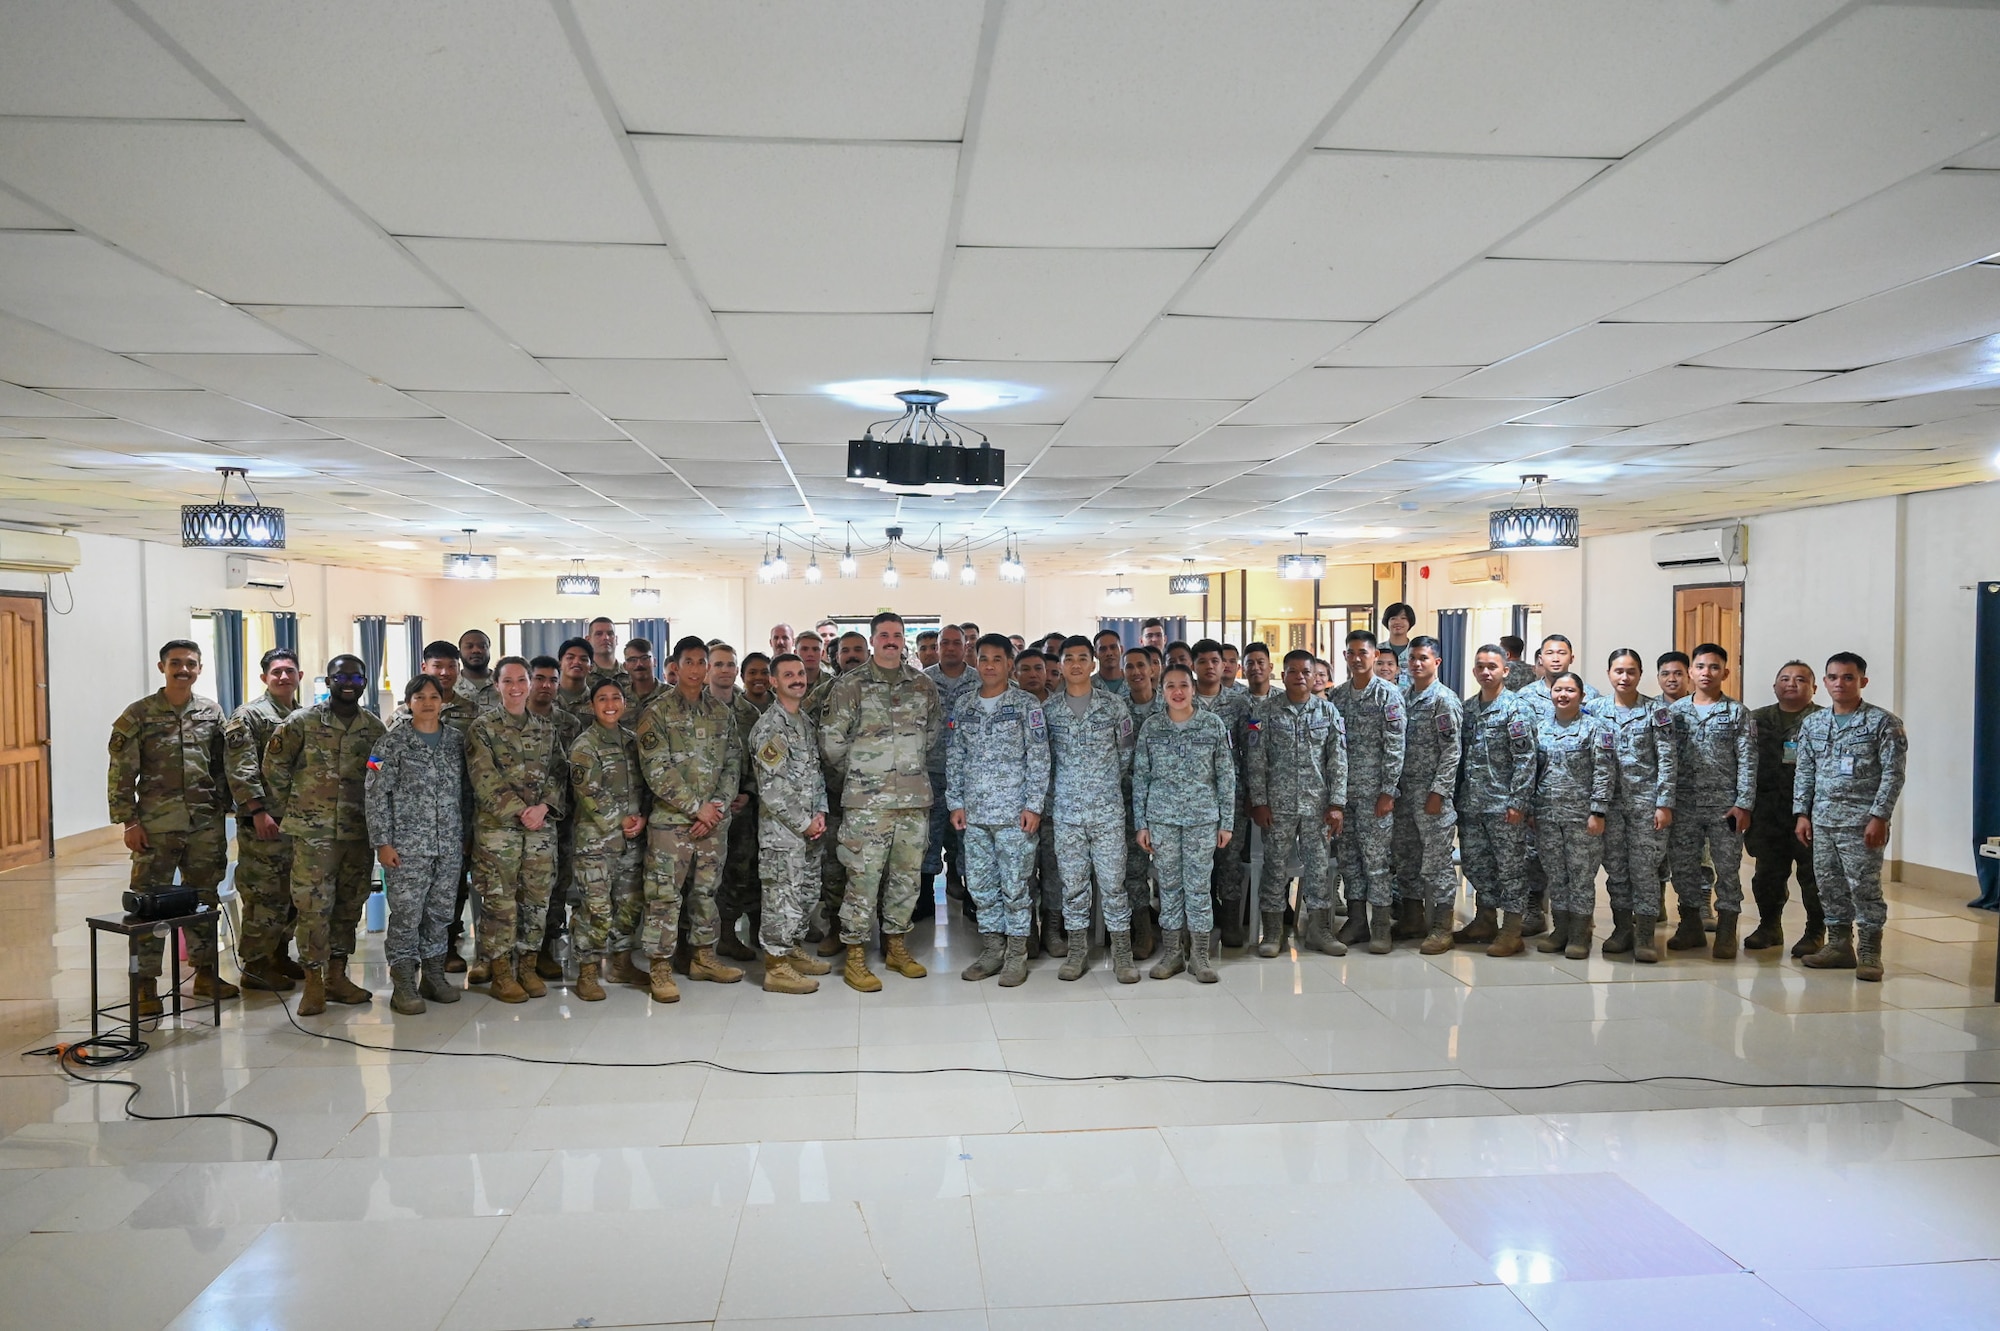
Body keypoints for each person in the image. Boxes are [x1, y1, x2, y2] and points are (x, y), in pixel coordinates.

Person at [108, 639, 234, 1015]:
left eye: (191, 664)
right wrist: (129, 820)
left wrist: (224, 808)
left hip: (203, 825)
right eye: (176, 663)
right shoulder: (139, 714)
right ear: (162, 667)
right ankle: (145, 985)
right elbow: (121, 772)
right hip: (156, 825)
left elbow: (221, 766)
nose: (184, 669)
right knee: (149, 906)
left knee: (203, 898)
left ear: (199, 669)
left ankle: (206, 973)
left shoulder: (211, 712)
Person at [820, 612, 941, 991]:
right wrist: (863, 776)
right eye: (884, 635)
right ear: (873, 640)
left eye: (897, 635)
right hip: (866, 804)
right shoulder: (849, 686)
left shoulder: (923, 686)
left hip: (912, 800)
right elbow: (831, 743)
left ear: (904, 640)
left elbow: (932, 735)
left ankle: (896, 946)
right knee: (862, 879)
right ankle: (854, 953)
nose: (891, 640)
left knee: (906, 878)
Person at [266, 653, 387, 1014]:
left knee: (350, 906)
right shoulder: (300, 723)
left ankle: (337, 976)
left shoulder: (374, 729)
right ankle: (314, 982)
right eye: (341, 677)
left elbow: (380, 778)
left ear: (365, 683)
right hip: (313, 835)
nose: (348, 684)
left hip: (357, 834)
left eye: (356, 677)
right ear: (327, 681)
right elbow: (274, 770)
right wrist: (296, 811)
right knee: (313, 908)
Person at [635, 637, 747, 1000]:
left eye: (703, 662)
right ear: (677, 666)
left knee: (705, 893)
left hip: (712, 823)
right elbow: (656, 769)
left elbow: (733, 762)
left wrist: (716, 805)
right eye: (690, 662)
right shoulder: (658, 711)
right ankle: (661, 966)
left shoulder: (721, 711)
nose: (697, 670)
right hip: (672, 823)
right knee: (664, 897)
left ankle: (703, 957)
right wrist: (695, 806)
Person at [1796, 652, 1907, 982]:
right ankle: (1838, 945)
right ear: (1824, 682)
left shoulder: (1883, 723)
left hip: (1862, 823)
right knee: (1828, 887)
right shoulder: (1813, 723)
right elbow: (1805, 771)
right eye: (1832, 677)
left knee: (1865, 889)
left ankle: (1870, 951)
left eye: (1847, 677)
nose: (1839, 683)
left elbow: (1893, 774)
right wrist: (1802, 814)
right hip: (1822, 821)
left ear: (1863, 681)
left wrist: (1880, 817)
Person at [948, 634, 1049, 986]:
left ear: (1010, 664)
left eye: (997, 659)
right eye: (984, 658)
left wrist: (1033, 806)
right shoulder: (964, 705)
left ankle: (1016, 955)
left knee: (1016, 885)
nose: (989, 665)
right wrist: (955, 802)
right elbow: (955, 756)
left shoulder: (1025, 705)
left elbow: (1039, 758)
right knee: (979, 884)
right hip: (975, 814)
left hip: (1014, 814)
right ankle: (992, 950)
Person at [463, 656, 566, 1003]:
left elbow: (559, 772)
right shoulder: (482, 728)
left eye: (521, 680)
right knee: (500, 903)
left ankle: (527, 965)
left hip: (539, 831)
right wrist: (520, 811)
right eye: (508, 681)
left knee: (536, 901)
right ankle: (502, 972)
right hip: (498, 832)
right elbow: (483, 777)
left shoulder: (546, 728)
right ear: (497, 685)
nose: (516, 687)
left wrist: (543, 808)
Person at [365, 675, 466, 1014]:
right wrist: (382, 843)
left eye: (433, 696)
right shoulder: (390, 744)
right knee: (407, 916)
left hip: (449, 845)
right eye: (419, 696)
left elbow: (466, 794)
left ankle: (434, 976)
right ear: (409, 702)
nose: (427, 702)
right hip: (406, 848)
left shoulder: (456, 741)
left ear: (443, 701)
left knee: (440, 914)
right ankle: (404, 983)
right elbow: (375, 794)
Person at [1133, 662, 1234, 982]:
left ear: (1193, 689)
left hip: (1202, 819)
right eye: (1170, 686)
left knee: (1199, 887)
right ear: (1161, 692)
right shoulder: (1152, 727)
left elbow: (1226, 776)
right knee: (1169, 887)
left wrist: (1226, 821)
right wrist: (1141, 823)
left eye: (1183, 686)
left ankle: (1200, 955)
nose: (1177, 692)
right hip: (1161, 818)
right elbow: (1141, 778)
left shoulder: (1212, 725)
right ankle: (1173, 953)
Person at [1044, 635, 1138, 980]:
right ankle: (1077, 951)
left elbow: (1126, 754)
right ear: (1061, 665)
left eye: (1083, 658)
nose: (1076, 664)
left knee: (1114, 884)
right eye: (1069, 658)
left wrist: (1103, 785)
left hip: (1107, 812)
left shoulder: (1114, 707)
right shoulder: (1048, 711)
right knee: (1073, 886)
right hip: (1066, 813)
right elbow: (1044, 761)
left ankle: (1123, 954)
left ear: (1093, 663)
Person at [1246, 648, 1347, 957]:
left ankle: (1319, 930)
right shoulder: (1262, 713)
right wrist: (1259, 801)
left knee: (1318, 868)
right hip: (1278, 806)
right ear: (1283, 674)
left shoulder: (1328, 712)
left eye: (1307, 672)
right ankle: (1273, 933)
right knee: (1275, 868)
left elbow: (1338, 759)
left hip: (1317, 806)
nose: (1300, 677)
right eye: (1294, 671)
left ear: (1315, 675)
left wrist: (1337, 803)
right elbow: (1255, 759)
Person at [747, 653, 832, 994]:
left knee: (804, 894)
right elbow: (771, 788)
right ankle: (776, 967)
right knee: (782, 897)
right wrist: (804, 822)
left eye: (800, 673)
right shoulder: (770, 727)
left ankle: (793, 949)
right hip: (784, 834)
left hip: (811, 829)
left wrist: (821, 813)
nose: (798, 679)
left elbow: (816, 774)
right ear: (773, 681)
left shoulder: (805, 722)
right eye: (788, 675)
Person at [1668, 643, 1757, 960]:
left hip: (1725, 807)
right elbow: (1666, 760)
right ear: (1691, 671)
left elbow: (1747, 761)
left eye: (1714, 667)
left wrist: (1744, 803)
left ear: (1726, 673)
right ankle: (1690, 925)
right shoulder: (1675, 713)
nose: (1707, 673)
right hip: (1684, 805)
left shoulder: (1737, 713)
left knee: (1728, 870)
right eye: (1701, 667)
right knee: (1684, 868)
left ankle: (1726, 931)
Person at [224, 647, 303, 992]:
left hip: (297, 822)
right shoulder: (250, 716)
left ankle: (278, 956)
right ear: (264, 678)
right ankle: (255, 966)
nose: (284, 677)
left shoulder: (304, 715)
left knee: (291, 894)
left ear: (299, 675)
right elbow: (241, 768)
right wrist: (257, 811)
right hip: (264, 822)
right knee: (263, 894)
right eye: (277, 672)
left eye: (289, 671)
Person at [567, 678, 648, 1000]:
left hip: (632, 840)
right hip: (596, 843)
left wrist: (640, 817)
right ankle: (587, 971)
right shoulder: (585, 746)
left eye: (616, 697)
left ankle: (620, 963)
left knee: (629, 906)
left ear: (624, 703)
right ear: (592, 705)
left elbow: (645, 786)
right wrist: (620, 820)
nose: (610, 704)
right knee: (597, 909)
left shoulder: (633, 741)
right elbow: (588, 792)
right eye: (602, 699)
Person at [1454, 646, 1538, 952]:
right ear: (1474, 671)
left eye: (1492, 666)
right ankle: (1485, 920)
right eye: (1480, 667)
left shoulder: (1516, 708)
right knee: (1476, 865)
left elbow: (1526, 759)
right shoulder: (1467, 709)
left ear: (1506, 671)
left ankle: (1512, 929)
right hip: (1472, 803)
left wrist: (1519, 802)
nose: (1486, 672)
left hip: (1504, 806)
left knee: (1511, 868)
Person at [1600, 649, 1677, 964]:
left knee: (1644, 869)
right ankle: (1622, 928)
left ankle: (1645, 934)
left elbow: (1668, 759)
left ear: (1640, 674)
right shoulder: (1594, 710)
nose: (1624, 677)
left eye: (1631, 671)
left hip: (1646, 803)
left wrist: (1664, 803)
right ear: (1609, 673)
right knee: (1615, 868)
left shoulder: (1656, 711)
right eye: (1618, 671)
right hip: (1609, 804)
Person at [1531, 672, 1615, 960]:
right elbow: (1533, 772)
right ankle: (1561, 929)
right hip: (1547, 814)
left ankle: (1580, 933)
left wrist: (1598, 811)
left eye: (1569, 690)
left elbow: (1604, 772)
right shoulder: (1540, 728)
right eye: (1558, 689)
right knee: (1556, 875)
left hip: (1582, 817)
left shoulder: (1595, 729)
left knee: (1580, 876)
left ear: (1581, 695)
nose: (1563, 695)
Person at [1331, 630, 1406, 952]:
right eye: (1351, 653)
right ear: (1345, 657)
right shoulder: (1338, 697)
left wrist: (1388, 791)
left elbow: (1395, 745)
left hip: (1376, 794)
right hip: (1344, 795)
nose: (1357, 658)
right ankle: (1357, 918)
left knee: (1376, 862)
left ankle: (1380, 926)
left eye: (1364, 652)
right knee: (1349, 860)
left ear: (1375, 656)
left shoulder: (1388, 695)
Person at [1748, 662, 1824, 955]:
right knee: (1767, 873)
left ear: (1814, 688)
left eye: (1800, 679)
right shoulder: (1756, 719)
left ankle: (1815, 931)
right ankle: (1769, 926)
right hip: (1766, 809)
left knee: (1813, 876)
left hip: (1809, 811)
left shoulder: (1821, 720)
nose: (1791, 683)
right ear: (1774, 686)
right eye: (1785, 678)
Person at [1394, 637, 1461, 953]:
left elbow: (1452, 751)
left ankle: (1442, 927)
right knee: (1406, 858)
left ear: (1437, 662)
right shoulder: (1402, 697)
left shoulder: (1443, 700)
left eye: (1423, 658)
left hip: (1431, 796)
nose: (1416, 664)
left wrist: (1439, 791)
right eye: (1411, 659)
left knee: (1436, 862)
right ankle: (1411, 918)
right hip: (1404, 794)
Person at [526, 654, 587, 986]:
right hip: (513, 819)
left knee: (555, 886)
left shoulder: (569, 723)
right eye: (539, 678)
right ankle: (509, 955)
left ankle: (545, 949)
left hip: (559, 819)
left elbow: (569, 772)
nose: (545, 685)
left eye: (551, 679)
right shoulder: (508, 720)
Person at [1191, 640, 1254, 946]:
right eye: (1202, 661)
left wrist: (1253, 791)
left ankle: (1230, 920)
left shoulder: (1241, 703)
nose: (1211, 666)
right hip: (1193, 795)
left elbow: (1252, 748)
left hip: (1231, 794)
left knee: (1229, 860)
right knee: (1198, 861)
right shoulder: (1182, 699)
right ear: (1194, 666)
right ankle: (1200, 920)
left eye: (1216, 661)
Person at [708, 643, 766, 962]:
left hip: (744, 809)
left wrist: (749, 792)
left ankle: (752, 930)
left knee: (747, 868)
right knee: (713, 876)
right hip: (706, 810)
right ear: (708, 669)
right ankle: (722, 936)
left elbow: (761, 762)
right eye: (719, 664)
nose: (726, 670)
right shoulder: (697, 710)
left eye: (730, 664)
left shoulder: (750, 713)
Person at [923, 624, 979, 916]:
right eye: (945, 643)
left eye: (956, 643)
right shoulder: (924, 680)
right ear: (938, 647)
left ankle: (972, 893)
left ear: (965, 646)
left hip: (969, 774)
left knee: (967, 838)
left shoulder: (979, 680)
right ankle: (926, 896)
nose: (950, 648)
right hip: (932, 770)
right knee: (929, 835)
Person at [1120, 646, 1163, 958]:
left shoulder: (1173, 704)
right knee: (1134, 870)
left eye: (1141, 666)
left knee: (1174, 871)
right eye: (1129, 667)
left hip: (1169, 800)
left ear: (1152, 669)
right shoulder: (1117, 709)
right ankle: (1143, 932)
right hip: (1128, 800)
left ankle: (1179, 933)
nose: (1135, 672)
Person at [585, 616, 633, 700]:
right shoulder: (583, 675)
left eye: (610, 634)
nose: (605, 638)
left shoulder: (630, 673)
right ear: (588, 640)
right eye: (599, 634)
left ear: (616, 639)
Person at [456, 628, 498, 713]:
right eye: (469, 646)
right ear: (459, 653)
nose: (476, 650)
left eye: (482, 646)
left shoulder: (503, 683)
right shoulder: (451, 686)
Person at [555, 637, 596, 720]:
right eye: (570, 657)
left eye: (583, 659)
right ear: (560, 664)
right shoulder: (547, 696)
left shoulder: (596, 701)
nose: (577, 662)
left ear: (591, 668)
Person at [624, 638, 663, 714]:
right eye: (633, 660)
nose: (639, 664)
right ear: (625, 666)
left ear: (654, 662)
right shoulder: (620, 697)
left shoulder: (672, 695)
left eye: (645, 658)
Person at [1379, 602, 1416, 682]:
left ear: (1410, 622)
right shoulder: (1377, 651)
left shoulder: (1417, 650)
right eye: (1393, 618)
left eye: (1403, 618)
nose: (1398, 622)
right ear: (1387, 622)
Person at [1092, 629, 1128, 697]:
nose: (1109, 653)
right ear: (1095, 654)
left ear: (1121, 650)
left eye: (1113, 647)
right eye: (1103, 649)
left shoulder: (1133, 682)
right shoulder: (1088, 686)